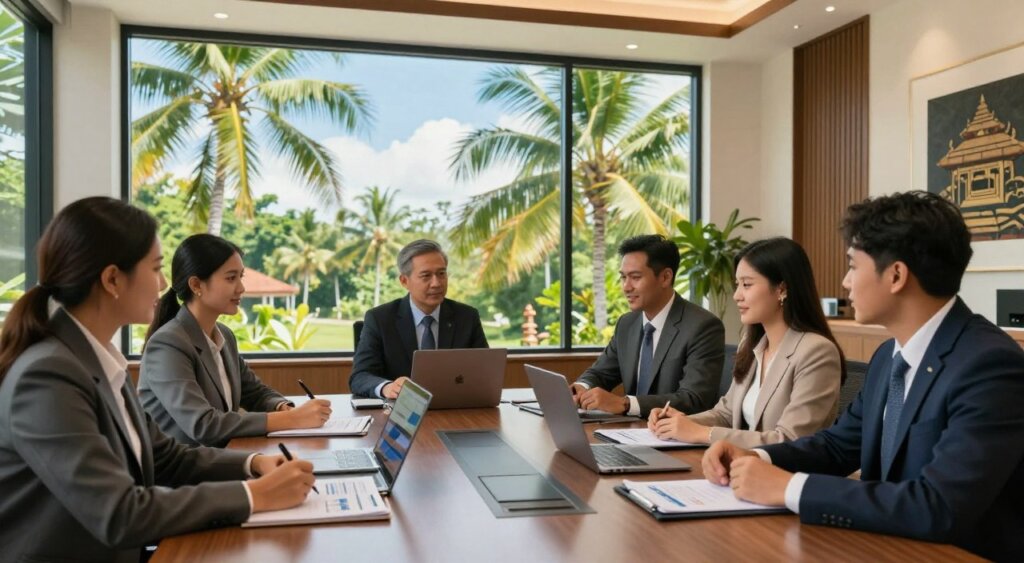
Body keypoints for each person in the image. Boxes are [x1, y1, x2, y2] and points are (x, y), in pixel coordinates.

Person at [702, 191, 1024, 560]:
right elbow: (838, 445)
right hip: (883, 546)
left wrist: (792, 489)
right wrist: (758, 457)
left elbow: (938, 505)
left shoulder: (990, 365)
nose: (844, 282)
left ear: (896, 275)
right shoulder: (889, 356)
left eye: (853, 266)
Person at [0, 197, 315, 562]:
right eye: (155, 268)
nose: (165, 282)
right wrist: (255, 496)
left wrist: (253, 464)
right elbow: (119, 513)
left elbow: (164, 456)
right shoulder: (47, 376)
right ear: (112, 279)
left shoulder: (95, 361)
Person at [647, 237, 844, 447]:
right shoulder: (752, 344)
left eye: (747, 285)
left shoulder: (816, 352)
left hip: (785, 474)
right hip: (743, 467)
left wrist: (701, 433)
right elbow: (726, 413)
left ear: (782, 289)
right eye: (737, 285)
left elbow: (789, 440)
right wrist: (679, 423)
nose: (737, 296)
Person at [139, 234, 332, 447]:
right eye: (231, 278)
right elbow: (204, 425)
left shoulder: (224, 335)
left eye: (241, 276)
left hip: (222, 460)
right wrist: (292, 419)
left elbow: (255, 393)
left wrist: (282, 407)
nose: (241, 288)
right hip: (184, 474)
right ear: (196, 285)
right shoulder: (167, 344)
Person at [571, 234, 724, 418]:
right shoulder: (627, 324)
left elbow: (694, 399)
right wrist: (581, 388)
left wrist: (625, 404)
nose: (626, 287)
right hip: (628, 432)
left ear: (665, 277)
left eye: (635, 277)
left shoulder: (703, 327)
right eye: (623, 277)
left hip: (674, 438)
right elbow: (600, 373)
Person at [349, 239, 488, 398]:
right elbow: (359, 377)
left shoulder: (467, 317)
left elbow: (485, 372)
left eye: (441, 274)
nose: (436, 283)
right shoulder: (380, 319)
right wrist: (387, 387)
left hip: (455, 408)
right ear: (404, 281)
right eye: (426, 276)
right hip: (399, 413)